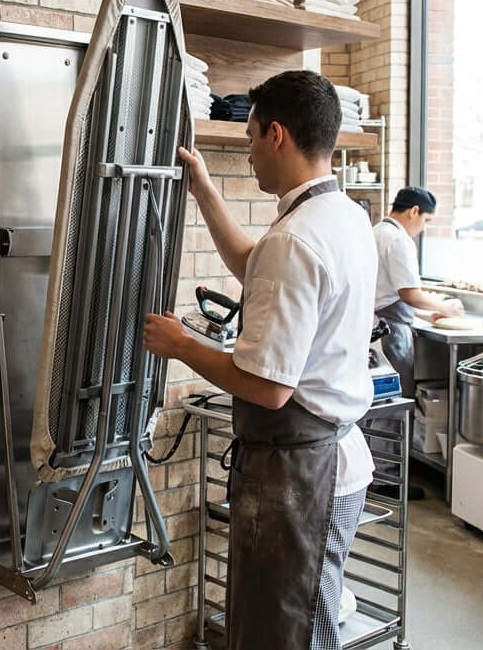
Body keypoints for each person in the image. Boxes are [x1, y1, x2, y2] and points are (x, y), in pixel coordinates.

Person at [142, 71, 376, 649]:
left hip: (304, 476)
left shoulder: (295, 239)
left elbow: (268, 387)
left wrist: (181, 344)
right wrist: (203, 188)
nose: (248, 153)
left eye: (250, 138)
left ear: (276, 134)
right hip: (326, 458)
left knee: (288, 633)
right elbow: (253, 263)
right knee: (294, 623)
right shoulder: (342, 216)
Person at [373, 187, 465, 397]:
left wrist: (425, 314)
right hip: (390, 333)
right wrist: (446, 308)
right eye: (426, 220)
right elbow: (410, 294)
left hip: (374, 326)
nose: (424, 228)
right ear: (414, 211)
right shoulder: (398, 239)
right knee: (396, 397)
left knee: (381, 398)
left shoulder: (376, 231)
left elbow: (387, 291)